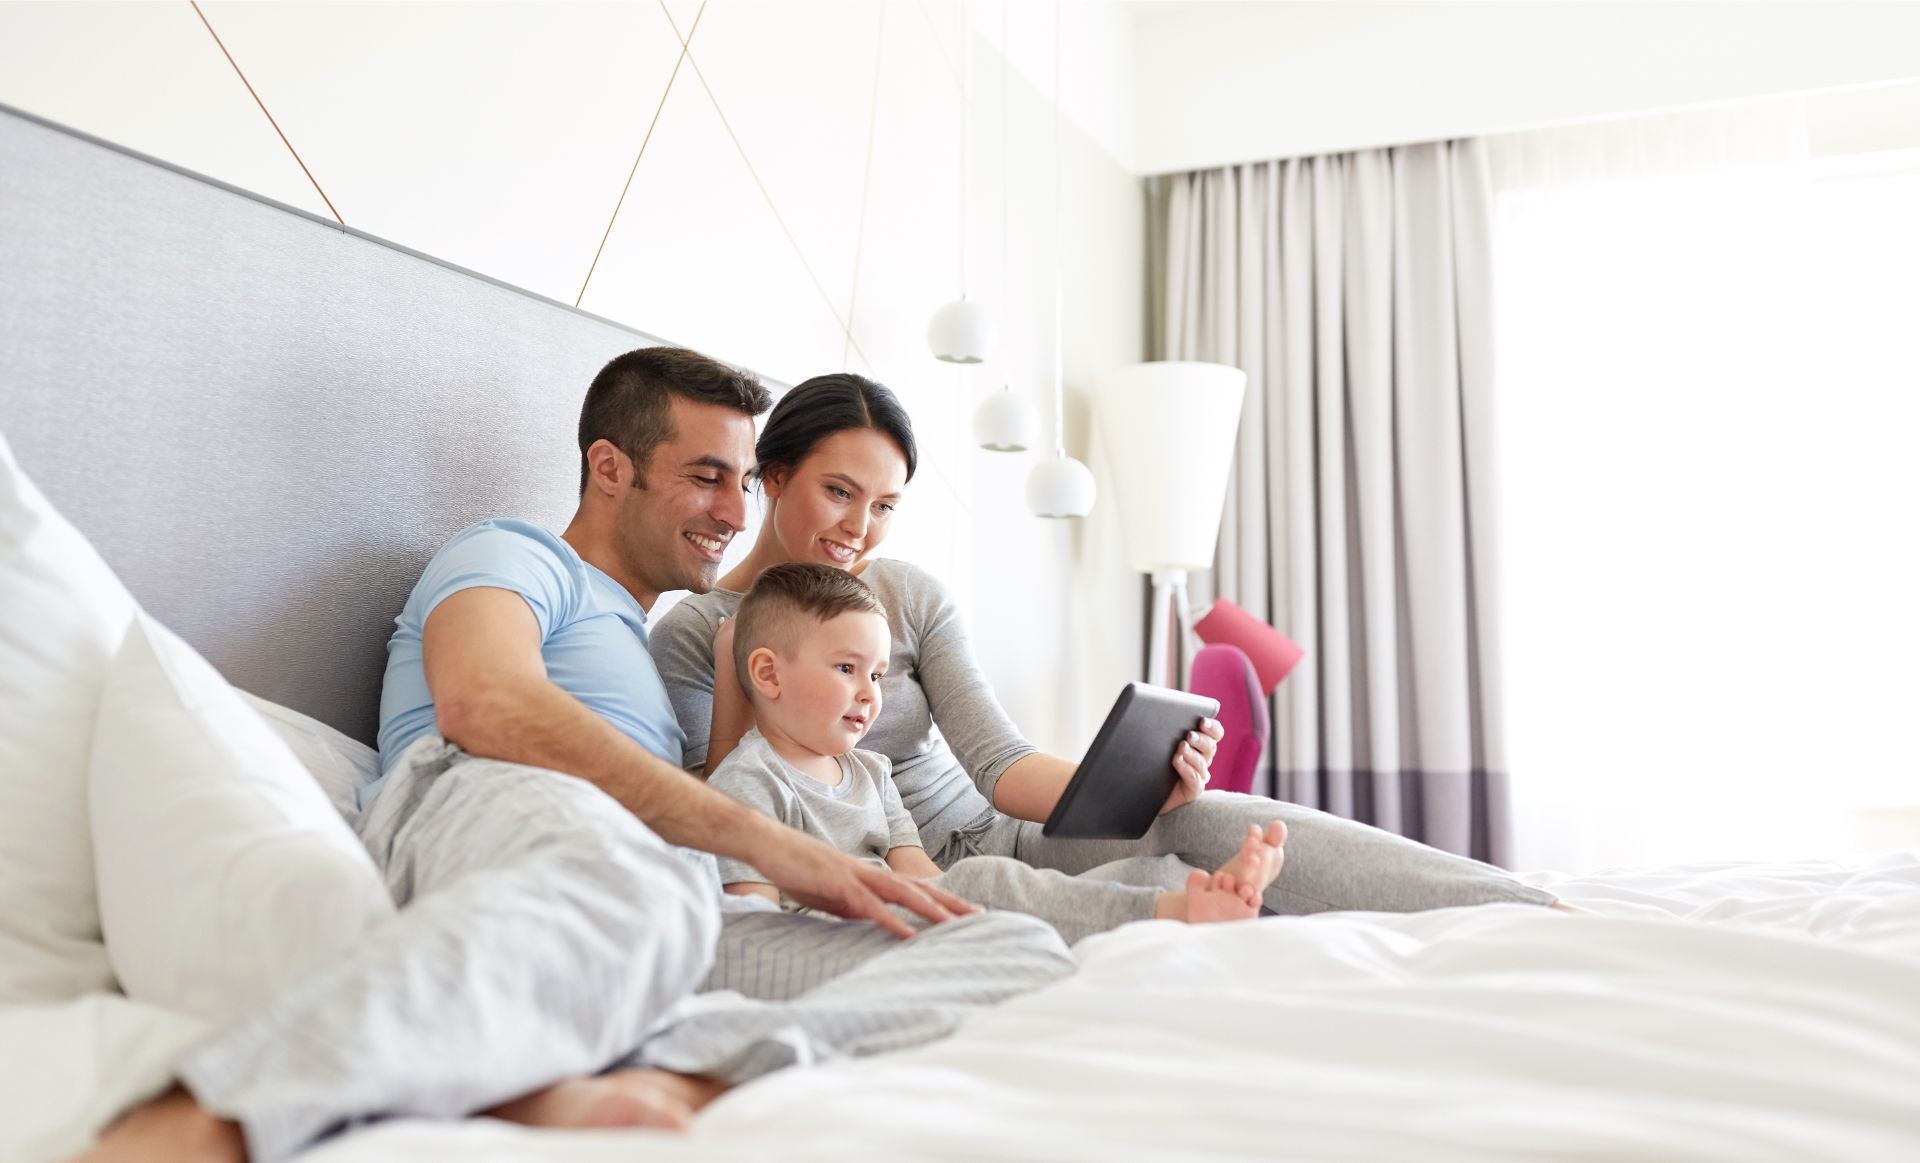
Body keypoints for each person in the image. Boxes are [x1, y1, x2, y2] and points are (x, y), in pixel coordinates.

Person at [80, 349, 1073, 1163]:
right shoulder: (514, 555)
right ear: (609, 467)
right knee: (618, 882)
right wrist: (762, 840)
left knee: (1008, 943)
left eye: (743, 479)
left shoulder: (661, 641)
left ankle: (640, 1074)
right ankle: (194, 1128)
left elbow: (731, 780)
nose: (736, 511)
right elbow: (483, 698)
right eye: (706, 475)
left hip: (672, 895)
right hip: (498, 795)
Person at [649, 372, 1562, 924]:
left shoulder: (908, 595)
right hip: (909, 866)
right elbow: (730, 808)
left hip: (1003, 824)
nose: (860, 528)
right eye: (840, 492)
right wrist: (739, 648)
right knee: (1114, 883)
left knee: (1205, 818)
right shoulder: (700, 632)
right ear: (773, 477)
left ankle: (1516, 906)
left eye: (884, 505)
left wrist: (1134, 789)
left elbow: (1000, 761)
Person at [707, 562, 1287, 942]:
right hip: (839, 934)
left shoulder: (871, 770)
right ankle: (1177, 915)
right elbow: (755, 927)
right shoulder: (747, 785)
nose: (870, 693)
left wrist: (963, 916)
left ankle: (1186, 895)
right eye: (846, 669)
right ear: (767, 673)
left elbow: (922, 875)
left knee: (1111, 870)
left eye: (879, 675)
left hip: (902, 915)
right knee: (989, 885)